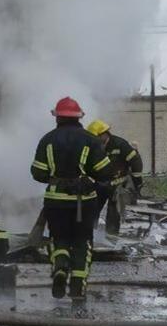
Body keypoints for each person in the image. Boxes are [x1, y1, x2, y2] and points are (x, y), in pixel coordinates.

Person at [31, 97, 112, 300]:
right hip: (84, 202)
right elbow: (105, 172)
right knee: (82, 242)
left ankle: (60, 265)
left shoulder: (47, 140)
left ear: (57, 117)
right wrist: (90, 181)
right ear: (79, 117)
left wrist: (56, 178)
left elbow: (38, 173)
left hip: (55, 201)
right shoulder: (90, 140)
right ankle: (78, 286)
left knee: (59, 238)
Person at [85, 120, 143, 236]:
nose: (93, 140)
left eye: (95, 137)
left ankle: (111, 239)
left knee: (113, 213)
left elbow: (135, 161)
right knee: (91, 212)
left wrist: (137, 181)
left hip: (117, 185)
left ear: (104, 134)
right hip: (99, 185)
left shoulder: (120, 144)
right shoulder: (92, 147)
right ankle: (89, 237)